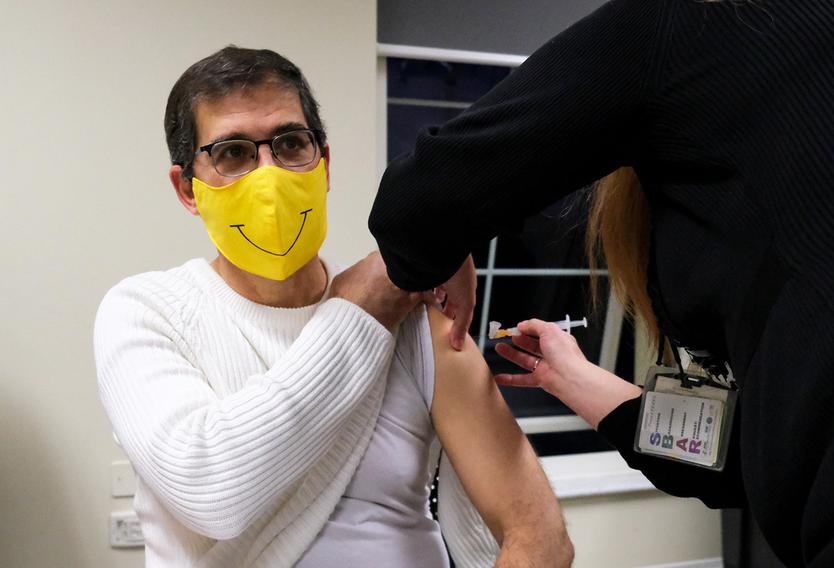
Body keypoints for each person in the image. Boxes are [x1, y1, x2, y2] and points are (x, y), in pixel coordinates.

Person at [368, 1, 834, 566]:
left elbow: (416, 208)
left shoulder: (686, 25)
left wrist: (443, 246)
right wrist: (573, 377)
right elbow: (745, 455)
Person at [94, 46, 572, 568]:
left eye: (291, 143)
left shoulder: (414, 318)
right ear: (188, 188)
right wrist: (368, 295)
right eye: (233, 153)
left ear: (323, 164)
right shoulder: (146, 312)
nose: (268, 176)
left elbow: (537, 532)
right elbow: (209, 488)